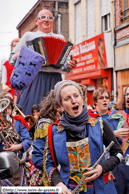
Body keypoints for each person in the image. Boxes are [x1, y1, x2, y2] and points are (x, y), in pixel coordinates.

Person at [43, 80, 123, 194]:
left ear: (82, 98)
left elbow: (118, 154)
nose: (73, 101)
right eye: (67, 98)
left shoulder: (99, 123)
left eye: (76, 96)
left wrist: (102, 167)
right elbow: (49, 163)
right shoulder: (54, 130)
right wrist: (58, 183)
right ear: (61, 104)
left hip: (102, 189)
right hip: (69, 190)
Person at [9, 9, 77, 115]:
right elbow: (12, 58)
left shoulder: (60, 38)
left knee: (56, 113)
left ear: (53, 21)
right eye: (43, 17)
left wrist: (70, 65)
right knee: (32, 112)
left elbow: (65, 64)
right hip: (35, 79)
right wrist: (21, 55)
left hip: (56, 80)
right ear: (37, 21)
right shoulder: (28, 36)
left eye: (50, 18)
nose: (46, 20)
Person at [30, 90, 62, 186]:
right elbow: (36, 158)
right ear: (56, 107)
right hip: (44, 181)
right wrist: (55, 170)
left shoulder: (63, 123)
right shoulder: (45, 125)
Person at [0, 95, 31, 187]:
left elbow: (28, 140)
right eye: (4, 107)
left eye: (9, 108)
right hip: (3, 164)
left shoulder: (18, 122)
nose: (6, 110)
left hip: (18, 163)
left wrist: (17, 147)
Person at [107, 86, 129, 194]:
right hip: (119, 164)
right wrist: (114, 134)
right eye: (127, 94)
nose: (128, 97)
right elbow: (103, 136)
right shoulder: (115, 114)